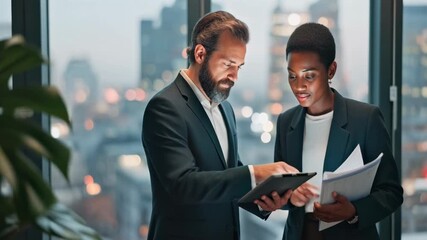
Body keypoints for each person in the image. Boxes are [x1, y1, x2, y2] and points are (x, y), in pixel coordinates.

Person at [141, 11, 295, 240]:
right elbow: (183, 185)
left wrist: (265, 200)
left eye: (239, 67)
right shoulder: (164, 107)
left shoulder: (226, 110)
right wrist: (256, 173)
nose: (234, 76)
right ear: (201, 53)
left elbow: (228, 177)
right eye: (228, 64)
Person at [266, 22, 403, 240]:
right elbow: (283, 193)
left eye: (309, 76)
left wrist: (354, 212)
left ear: (331, 70)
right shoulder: (286, 122)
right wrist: (290, 198)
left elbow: (392, 192)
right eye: (292, 76)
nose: (299, 86)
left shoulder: (365, 119)